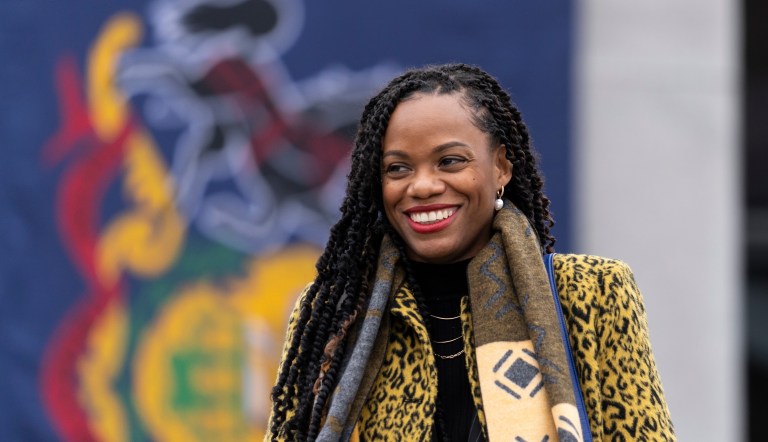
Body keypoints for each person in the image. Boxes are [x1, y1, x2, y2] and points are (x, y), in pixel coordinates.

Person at [266, 63, 674, 441]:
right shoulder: (333, 312)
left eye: (450, 161)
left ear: (501, 167)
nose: (422, 186)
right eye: (398, 168)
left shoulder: (592, 293)